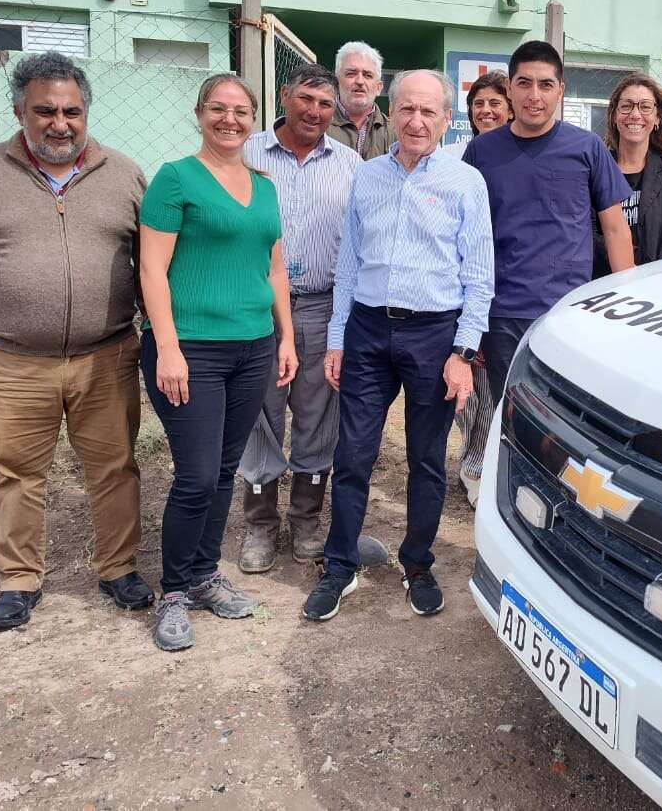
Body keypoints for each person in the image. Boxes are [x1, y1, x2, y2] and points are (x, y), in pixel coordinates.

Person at [0, 51, 153, 632]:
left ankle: (118, 567)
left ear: (86, 112)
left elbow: (151, 262)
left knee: (115, 468)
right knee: (19, 473)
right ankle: (18, 579)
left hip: (107, 355)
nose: (60, 123)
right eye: (44, 110)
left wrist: (167, 337)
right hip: (14, 359)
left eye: (72, 111)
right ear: (20, 110)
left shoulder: (122, 173)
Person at [302, 70, 494, 622]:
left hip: (435, 336)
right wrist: (337, 338)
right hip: (366, 330)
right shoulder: (366, 178)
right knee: (354, 453)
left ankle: (417, 563)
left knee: (427, 458)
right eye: (407, 109)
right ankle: (340, 568)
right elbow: (348, 265)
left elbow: (480, 277)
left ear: (443, 117)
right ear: (393, 107)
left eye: (429, 112)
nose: (416, 121)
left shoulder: (464, 184)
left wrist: (462, 355)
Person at [139, 73, 298, 651]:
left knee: (226, 472)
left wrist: (286, 339)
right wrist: (169, 348)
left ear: (253, 117)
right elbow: (152, 270)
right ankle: (175, 591)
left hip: (254, 347)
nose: (230, 119)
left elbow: (275, 268)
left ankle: (205, 576)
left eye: (241, 110)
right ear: (200, 112)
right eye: (218, 108)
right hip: (192, 350)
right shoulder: (175, 178)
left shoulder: (264, 186)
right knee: (196, 476)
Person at [236, 63, 361, 573]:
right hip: (259, 307)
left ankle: (307, 517)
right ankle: (260, 524)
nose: (314, 111)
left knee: (318, 412)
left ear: (336, 111)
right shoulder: (247, 155)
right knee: (259, 412)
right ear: (284, 96)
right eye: (306, 99)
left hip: (325, 305)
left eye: (325, 104)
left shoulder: (351, 163)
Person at [462, 40, 634, 406]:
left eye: (545, 84)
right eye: (524, 83)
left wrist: (626, 302)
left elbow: (616, 229)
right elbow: (465, 236)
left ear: (561, 90)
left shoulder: (587, 148)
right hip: (502, 311)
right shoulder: (481, 151)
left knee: (565, 411)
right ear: (509, 88)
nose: (534, 95)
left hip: (567, 309)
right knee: (510, 413)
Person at [452, 71, 511, 508]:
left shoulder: (517, 157)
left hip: (507, 288)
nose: (486, 111)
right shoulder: (457, 157)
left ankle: (479, 465)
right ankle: (471, 459)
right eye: (479, 103)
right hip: (461, 287)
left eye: (496, 102)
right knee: (466, 384)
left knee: (494, 386)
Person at [593, 72, 662, 276]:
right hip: (602, 284)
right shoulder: (596, 168)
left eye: (645, 106)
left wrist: (653, 281)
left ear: (657, 117)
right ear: (614, 116)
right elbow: (587, 234)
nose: (635, 114)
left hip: (658, 286)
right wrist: (624, 268)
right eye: (626, 105)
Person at [329, 41, 394, 160]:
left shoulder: (394, 132)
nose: (360, 81)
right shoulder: (319, 125)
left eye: (367, 75)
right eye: (351, 73)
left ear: (379, 87)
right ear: (336, 82)